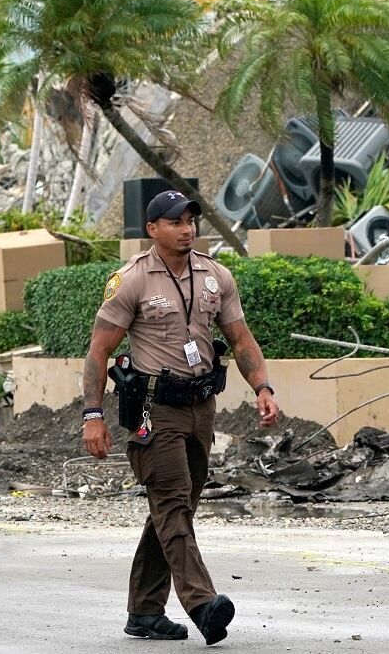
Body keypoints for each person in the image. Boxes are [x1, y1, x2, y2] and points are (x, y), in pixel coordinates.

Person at [81, 190, 280, 646]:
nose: (187, 228)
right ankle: (202, 603)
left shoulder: (215, 275)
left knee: (176, 508)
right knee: (171, 503)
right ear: (152, 229)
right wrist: (93, 415)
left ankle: (145, 612)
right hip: (156, 409)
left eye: (191, 220)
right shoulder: (131, 280)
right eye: (176, 221)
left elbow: (241, 339)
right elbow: (99, 351)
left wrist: (263, 387)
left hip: (201, 408)